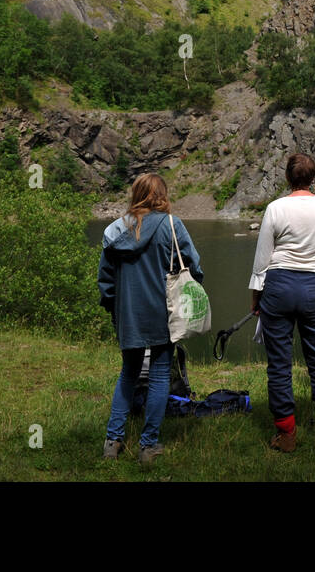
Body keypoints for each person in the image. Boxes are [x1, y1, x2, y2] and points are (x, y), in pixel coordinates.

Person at [98, 172, 202, 466]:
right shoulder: (172, 225)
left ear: (135, 194)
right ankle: (148, 446)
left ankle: (112, 442)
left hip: (128, 313)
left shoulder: (114, 230)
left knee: (128, 374)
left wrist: (113, 308)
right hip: (163, 311)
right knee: (158, 376)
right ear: (162, 195)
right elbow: (193, 263)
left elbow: (105, 281)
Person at [251, 153, 315, 452]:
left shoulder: (275, 208)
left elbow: (262, 260)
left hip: (278, 286)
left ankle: (286, 435)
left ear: (288, 178)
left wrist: (256, 297)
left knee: (279, 363)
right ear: (313, 178)